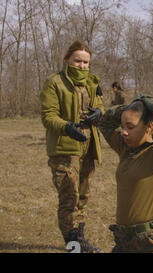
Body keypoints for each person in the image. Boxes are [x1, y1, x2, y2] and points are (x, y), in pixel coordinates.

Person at [98, 95, 153, 253]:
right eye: (122, 126)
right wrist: (133, 106)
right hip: (123, 241)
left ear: (149, 125)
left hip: (151, 242)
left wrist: (152, 107)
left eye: (130, 127)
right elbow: (105, 122)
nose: (124, 132)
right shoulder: (125, 149)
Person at [40, 41, 104, 253]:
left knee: (83, 195)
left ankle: (80, 236)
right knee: (70, 195)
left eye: (86, 62)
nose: (82, 65)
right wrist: (67, 127)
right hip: (65, 148)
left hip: (89, 146)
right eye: (78, 60)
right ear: (67, 59)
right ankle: (73, 244)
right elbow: (48, 116)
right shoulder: (54, 82)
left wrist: (99, 112)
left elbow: (100, 105)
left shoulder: (93, 83)